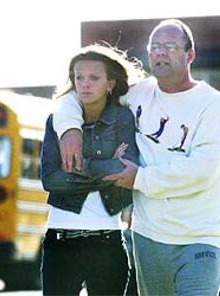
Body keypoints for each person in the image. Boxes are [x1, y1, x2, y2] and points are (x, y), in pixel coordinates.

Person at [53, 19, 220, 296]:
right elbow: (79, 95)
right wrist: (69, 129)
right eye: (155, 47)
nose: (161, 52)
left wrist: (140, 178)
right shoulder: (137, 95)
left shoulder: (213, 105)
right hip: (148, 237)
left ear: (190, 55)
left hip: (199, 239)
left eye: (170, 46)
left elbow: (204, 169)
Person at [40, 43, 145, 296]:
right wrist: (104, 170)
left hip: (106, 242)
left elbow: (124, 168)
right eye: (79, 78)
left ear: (110, 83)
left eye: (94, 78)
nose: (85, 84)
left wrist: (77, 169)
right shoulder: (57, 121)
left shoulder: (123, 118)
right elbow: (50, 180)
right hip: (60, 241)